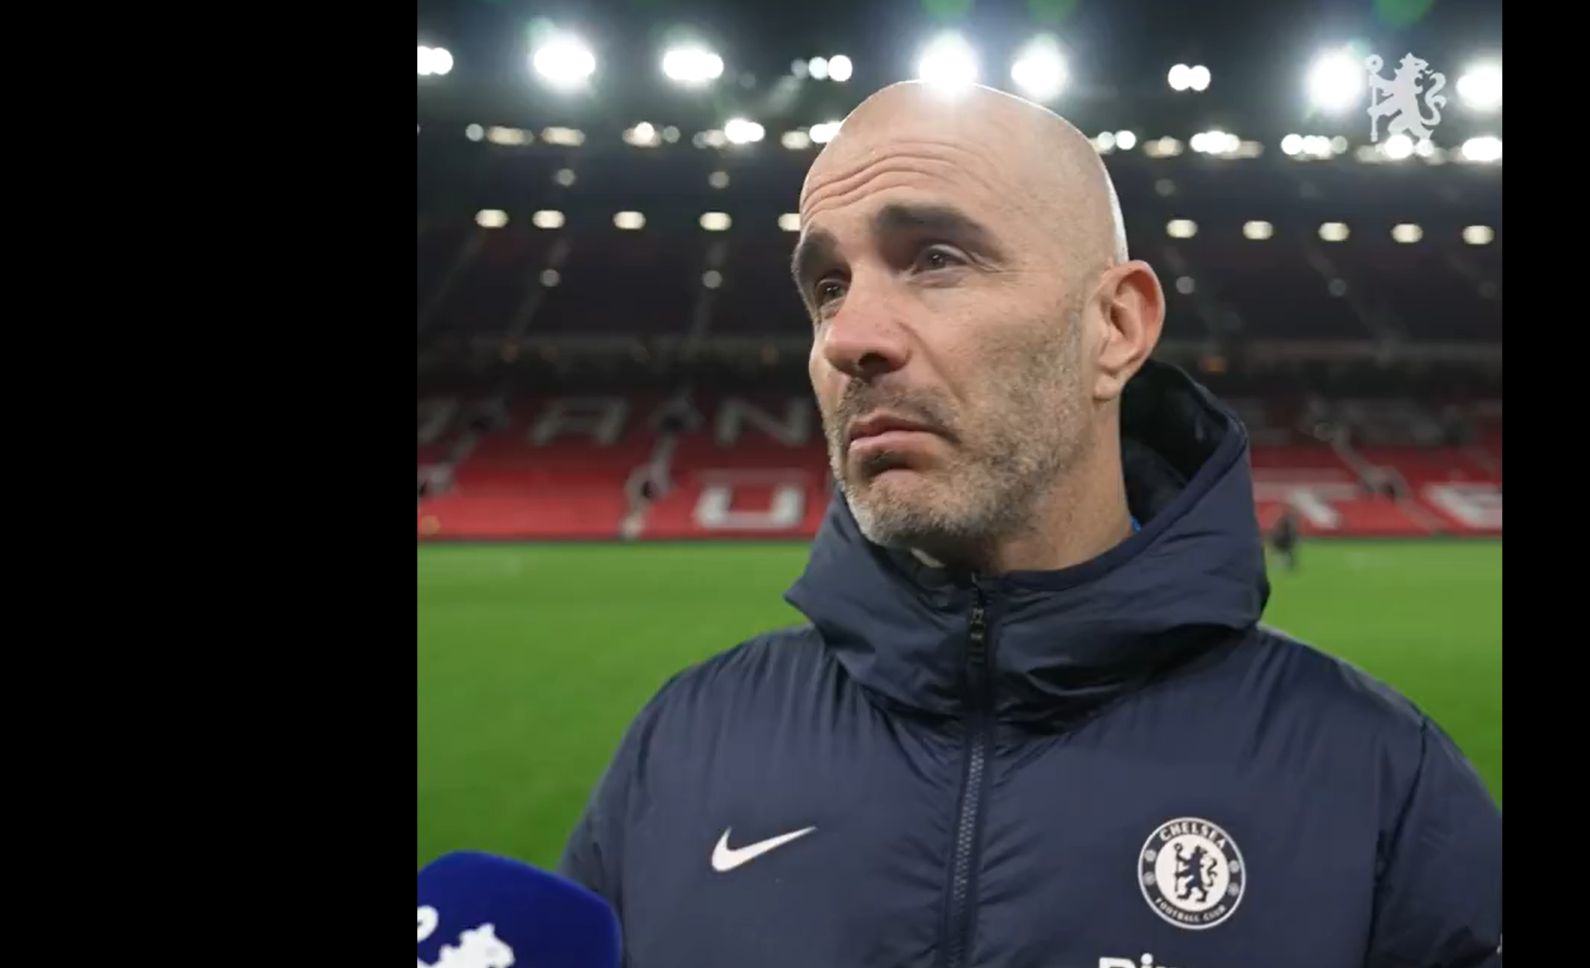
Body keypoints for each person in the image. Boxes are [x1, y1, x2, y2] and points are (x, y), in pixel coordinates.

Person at [559, 81, 1500, 966]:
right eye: (828, 286)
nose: (848, 338)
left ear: (1116, 327)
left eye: (936, 258)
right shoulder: (681, 745)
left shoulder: (1380, 782)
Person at [1270, 504, 1301, 571]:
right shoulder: (1288, 520)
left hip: (1286, 539)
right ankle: (1285, 565)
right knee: (1286, 553)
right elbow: (1288, 531)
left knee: (1286, 553)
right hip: (1284, 539)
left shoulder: (1290, 519)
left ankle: (1289, 565)